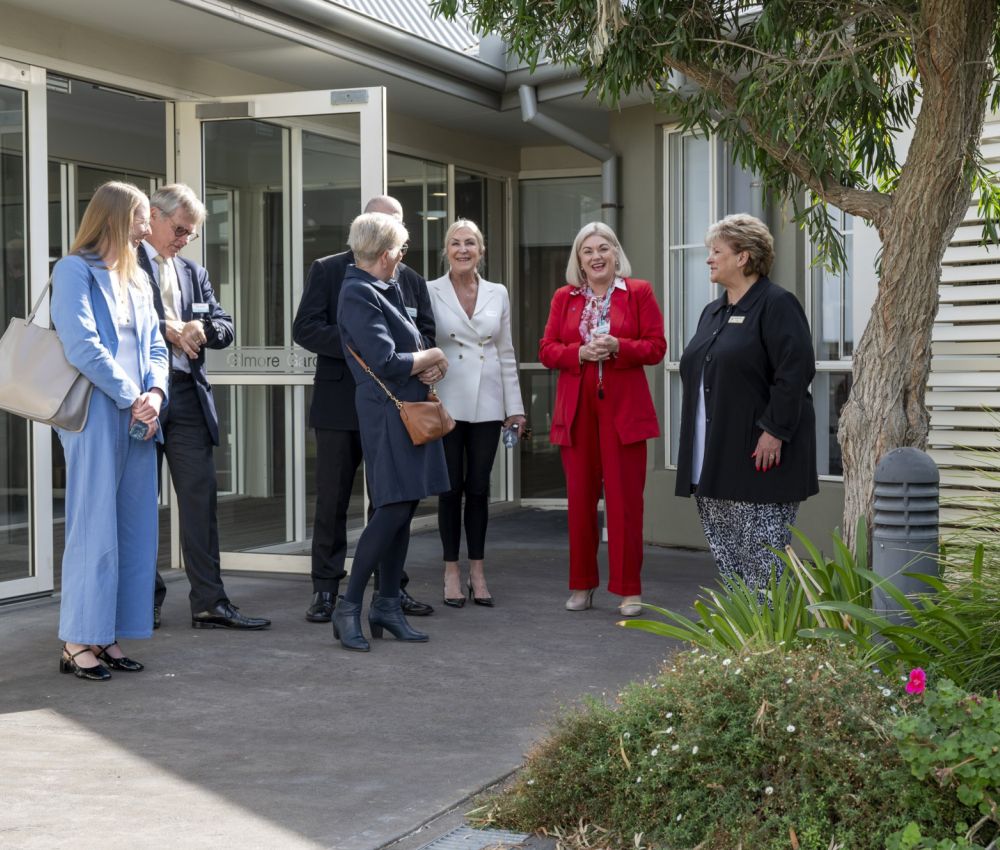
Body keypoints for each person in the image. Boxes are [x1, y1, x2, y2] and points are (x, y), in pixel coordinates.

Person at [293, 195, 435, 624]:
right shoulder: (331, 270)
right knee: (333, 499)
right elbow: (306, 328)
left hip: (393, 405)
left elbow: (424, 332)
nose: (393, 240)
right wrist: (363, 348)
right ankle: (325, 590)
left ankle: (390, 590)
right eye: (384, 227)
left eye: (398, 228)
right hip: (341, 403)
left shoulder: (408, 278)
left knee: (390, 500)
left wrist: (417, 358)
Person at [139, 183, 270, 630]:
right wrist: (168, 328)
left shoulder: (193, 272)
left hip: (188, 396)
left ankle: (209, 602)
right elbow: (117, 320)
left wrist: (199, 327)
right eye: (178, 229)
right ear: (153, 216)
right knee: (139, 504)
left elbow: (225, 325)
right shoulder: (124, 263)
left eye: (189, 234)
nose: (182, 240)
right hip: (140, 400)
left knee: (200, 501)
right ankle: (143, 601)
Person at [51, 181, 168, 680]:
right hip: (97, 413)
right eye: (143, 217)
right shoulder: (73, 270)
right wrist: (132, 397)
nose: (149, 227)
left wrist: (156, 395)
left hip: (141, 415)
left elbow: (159, 347)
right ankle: (77, 640)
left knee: (134, 529)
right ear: (119, 218)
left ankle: (108, 636)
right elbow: (81, 345)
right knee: (93, 527)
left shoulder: (138, 276)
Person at [675, 213, 818, 596]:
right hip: (714, 461)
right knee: (730, 561)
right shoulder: (713, 313)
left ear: (743, 257)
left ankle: (773, 643)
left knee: (764, 565)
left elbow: (796, 370)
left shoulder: (777, 304)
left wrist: (775, 430)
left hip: (761, 459)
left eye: (716, 251)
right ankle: (746, 644)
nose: (709, 258)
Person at [332, 212, 450, 652]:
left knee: (401, 508)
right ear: (385, 254)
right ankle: (348, 607)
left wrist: (426, 359)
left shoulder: (385, 286)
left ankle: (385, 605)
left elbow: (408, 347)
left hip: (405, 407)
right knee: (392, 509)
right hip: (388, 413)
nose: (403, 257)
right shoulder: (358, 292)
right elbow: (385, 360)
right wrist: (433, 354)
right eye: (401, 250)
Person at [539, 222, 666, 617]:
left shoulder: (639, 292)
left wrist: (618, 347)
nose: (596, 256)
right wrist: (578, 353)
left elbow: (656, 347)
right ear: (579, 259)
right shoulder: (565, 297)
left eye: (603, 248)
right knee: (579, 502)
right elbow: (547, 349)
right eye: (587, 250)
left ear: (616, 254)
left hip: (623, 412)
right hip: (577, 412)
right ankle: (582, 584)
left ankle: (629, 590)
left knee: (626, 503)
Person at [427, 219, 525, 607]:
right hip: (446, 401)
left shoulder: (497, 292)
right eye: (455, 243)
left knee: (479, 490)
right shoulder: (430, 290)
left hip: (488, 402)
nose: (463, 249)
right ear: (446, 250)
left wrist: (514, 409)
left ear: (481, 251)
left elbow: (506, 352)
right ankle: (451, 569)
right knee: (450, 490)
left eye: (470, 243)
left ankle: (478, 571)